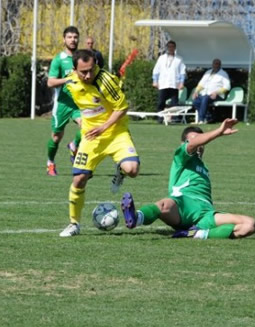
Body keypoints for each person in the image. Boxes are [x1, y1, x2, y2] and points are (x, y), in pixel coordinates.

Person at [121, 118, 255, 240]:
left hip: (205, 213)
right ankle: (136, 217)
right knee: (164, 204)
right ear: (183, 143)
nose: (198, 143)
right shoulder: (180, 157)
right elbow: (192, 145)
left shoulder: (204, 167)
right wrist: (219, 132)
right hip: (181, 207)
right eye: (192, 139)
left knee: (249, 224)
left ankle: (195, 233)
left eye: (200, 139)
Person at [59, 49, 140, 237]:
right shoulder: (70, 81)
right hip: (90, 138)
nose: (88, 75)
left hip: (115, 133)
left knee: (132, 170)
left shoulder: (106, 81)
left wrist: (103, 128)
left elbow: (122, 108)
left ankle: (120, 170)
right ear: (74, 70)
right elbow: (70, 104)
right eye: (83, 72)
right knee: (79, 179)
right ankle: (74, 224)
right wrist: (78, 119)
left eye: (91, 69)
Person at [46, 26, 83, 176]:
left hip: (78, 104)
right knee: (56, 137)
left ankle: (74, 145)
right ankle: (50, 163)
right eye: (69, 37)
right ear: (64, 39)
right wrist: (68, 79)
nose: (73, 40)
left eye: (75, 37)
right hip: (62, 104)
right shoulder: (59, 60)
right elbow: (50, 82)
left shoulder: (82, 58)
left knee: (87, 127)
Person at [191, 58, 230, 124]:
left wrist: (216, 92)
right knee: (196, 101)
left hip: (217, 95)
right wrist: (196, 91)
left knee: (205, 99)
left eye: (217, 64)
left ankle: (201, 120)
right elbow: (201, 84)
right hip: (205, 94)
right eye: (215, 64)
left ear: (220, 65)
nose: (216, 65)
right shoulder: (208, 72)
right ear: (212, 64)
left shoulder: (223, 74)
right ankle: (208, 117)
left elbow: (227, 87)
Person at [152, 40, 186, 113]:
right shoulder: (162, 58)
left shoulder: (179, 59)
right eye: (169, 47)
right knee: (161, 102)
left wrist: (181, 83)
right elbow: (156, 70)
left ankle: (175, 119)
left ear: (175, 48)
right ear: (167, 48)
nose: (171, 48)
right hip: (163, 83)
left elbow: (182, 72)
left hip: (174, 83)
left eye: (172, 47)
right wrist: (155, 81)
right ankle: (160, 117)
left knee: (174, 103)